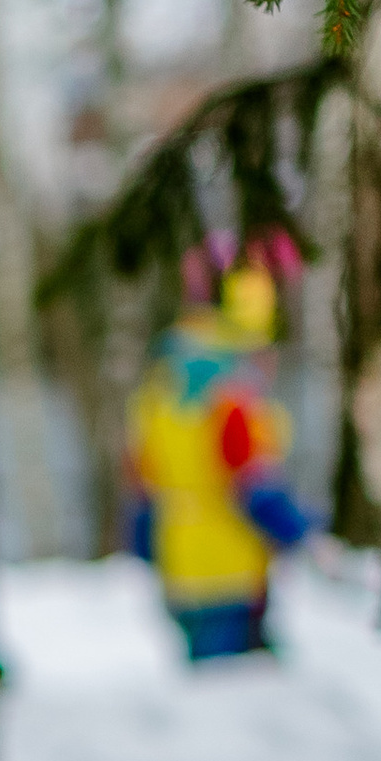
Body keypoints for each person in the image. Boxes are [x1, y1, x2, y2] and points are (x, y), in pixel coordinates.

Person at [124, 255, 310, 660]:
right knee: (232, 698)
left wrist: (146, 553)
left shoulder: (158, 397)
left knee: (208, 695)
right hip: (232, 575)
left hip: (181, 575)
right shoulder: (231, 405)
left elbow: (144, 488)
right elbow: (253, 487)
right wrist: (301, 533)